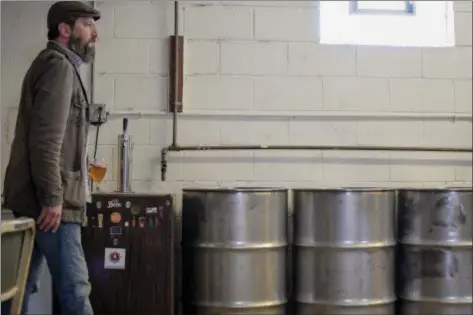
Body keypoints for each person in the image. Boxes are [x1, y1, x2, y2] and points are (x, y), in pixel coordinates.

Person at [2, 1, 100, 314]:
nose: (93, 33)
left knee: (15, 291)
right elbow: (45, 141)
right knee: (75, 290)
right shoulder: (58, 67)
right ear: (65, 29)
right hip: (52, 207)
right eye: (87, 24)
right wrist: (54, 198)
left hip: (37, 199)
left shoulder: (58, 65)